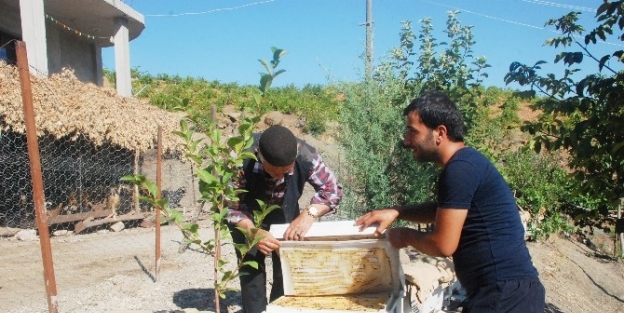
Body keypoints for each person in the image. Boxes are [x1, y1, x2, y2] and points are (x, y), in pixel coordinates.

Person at [355, 91, 545, 313]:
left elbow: (442, 244)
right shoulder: (467, 163)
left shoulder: (460, 169)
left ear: (440, 132)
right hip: (508, 293)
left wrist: (404, 236)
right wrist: (397, 211)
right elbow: (442, 210)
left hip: (503, 296)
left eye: (412, 131)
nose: (406, 141)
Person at [226, 125, 343, 313]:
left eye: (286, 172)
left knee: (287, 270)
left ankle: (279, 308)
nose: (279, 177)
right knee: (251, 274)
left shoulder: (307, 156)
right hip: (246, 215)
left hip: (286, 213)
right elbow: (229, 205)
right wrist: (251, 231)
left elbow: (332, 189)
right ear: (259, 155)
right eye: (272, 173)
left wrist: (309, 213)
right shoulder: (239, 157)